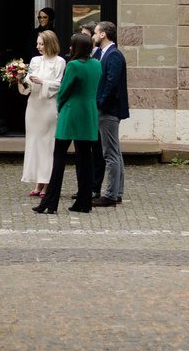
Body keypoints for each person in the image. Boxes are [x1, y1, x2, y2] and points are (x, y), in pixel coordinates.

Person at [34, 33, 103, 214]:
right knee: (85, 159)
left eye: (72, 46)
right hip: (89, 113)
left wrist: (60, 106)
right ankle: (84, 202)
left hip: (71, 112)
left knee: (59, 157)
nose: (70, 48)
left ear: (77, 47)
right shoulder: (97, 64)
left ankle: (50, 203)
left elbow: (64, 91)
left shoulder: (73, 65)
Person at [17, 30, 65, 197]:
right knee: (34, 142)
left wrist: (43, 82)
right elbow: (29, 84)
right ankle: (38, 182)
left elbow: (59, 84)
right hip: (34, 105)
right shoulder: (34, 60)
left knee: (47, 144)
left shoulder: (60, 62)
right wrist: (21, 79)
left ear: (50, 44)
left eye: (41, 44)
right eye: (37, 43)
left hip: (48, 106)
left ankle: (47, 183)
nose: (38, 47)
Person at [93, 19, 128, 206]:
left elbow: (111, 83)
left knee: (110, 154)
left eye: (96, 32)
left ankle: (111, 196)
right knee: (115, 152)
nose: (94, 36)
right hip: (107, 108)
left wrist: (100, 103)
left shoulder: (113, 55)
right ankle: (117, 192)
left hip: (108, 110)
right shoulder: (104, 54)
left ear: (103, 34)